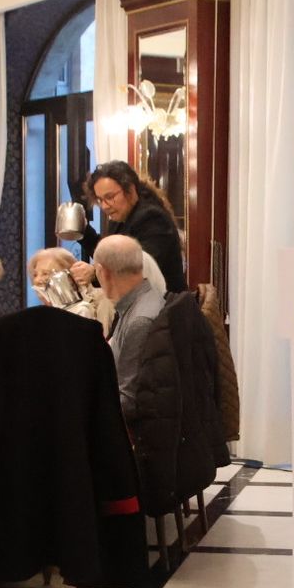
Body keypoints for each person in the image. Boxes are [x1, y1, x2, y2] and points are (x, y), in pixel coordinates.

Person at [87, 161, 187, 294]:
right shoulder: (120, 217)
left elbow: (137, 270)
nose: (104, 206)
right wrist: (84, 232)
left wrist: (95, 274)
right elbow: (108, 255)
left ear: (131, 189)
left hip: (163, 304)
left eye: (109, 197)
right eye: (100, 200)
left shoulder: (152, 218)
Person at [94, 235, 164, 417]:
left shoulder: (140, 319)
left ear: (103, 272)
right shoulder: (140, 302)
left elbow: (127, 400)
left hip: (137, 427)